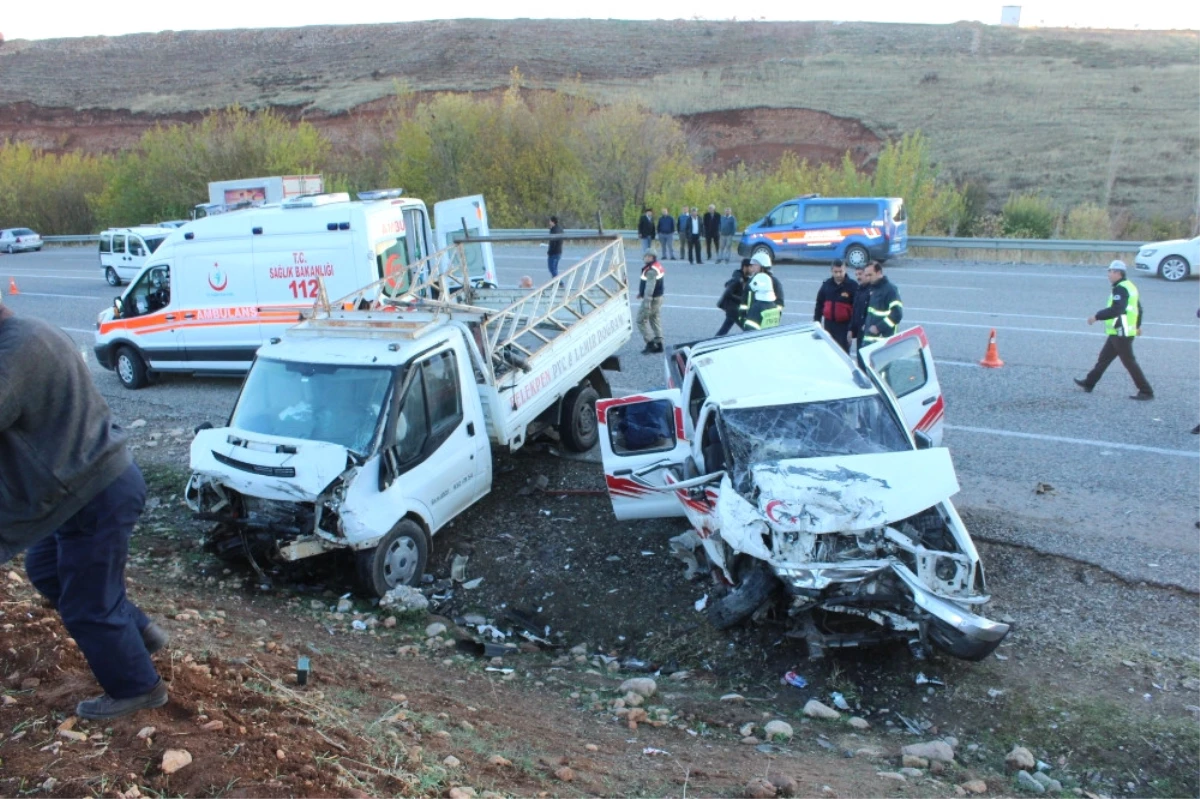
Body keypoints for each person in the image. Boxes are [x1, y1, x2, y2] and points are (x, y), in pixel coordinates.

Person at [0, 295, 169, 721]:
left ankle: (138, 688)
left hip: (94, 489)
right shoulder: (28, 332)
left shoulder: (14, 352)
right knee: (46, 569)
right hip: (84, 486)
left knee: (88, 604)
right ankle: (139, 631)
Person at [1074, 260, 1154, 400]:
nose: (1108, 274)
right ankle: (1089, 383)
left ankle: (1146, 391)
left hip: (1121, 331)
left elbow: (1117, 309)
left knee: (1129, 362)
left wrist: (1097, 316)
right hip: (1120, 331)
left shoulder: (1120, 288)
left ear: (1118, 273)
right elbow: (1138, 309)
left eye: (1110, 271)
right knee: (1104, 359)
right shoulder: (1130, 286)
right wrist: (1137, 325)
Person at [813, 258, 858, 352]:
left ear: (845, 270)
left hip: (844, 327)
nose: (838, 274)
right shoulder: (826, 285)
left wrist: (851, 329)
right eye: (835, 272)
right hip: (829, 325)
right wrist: (816, 323)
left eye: (840, 271)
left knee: (843, 353)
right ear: (831, 271)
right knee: (829, 352)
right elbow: (819, 305)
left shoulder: (852, 286)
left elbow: (856, 310)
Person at [860, 261, 902, 344]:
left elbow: (897, 315)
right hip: (869, 339)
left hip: (883, 341)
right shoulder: (873, 288)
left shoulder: (890, 290)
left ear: (878, 273)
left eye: (870, 275)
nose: (868, 278)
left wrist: (879, 327)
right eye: (866, 275)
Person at [636, 250, 666, 354]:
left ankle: (650, 344)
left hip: (652, 299)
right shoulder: (657, 266)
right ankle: (659, 344)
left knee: (640, 320)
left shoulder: (651, 270)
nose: (644, 258)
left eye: (646, 256)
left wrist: (646, 301)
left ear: (650, 257)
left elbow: (650, 287)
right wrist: (641, 292)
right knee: (654, 319)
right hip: (658, 298)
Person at [715, 258, 751, 336]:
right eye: (750, 267)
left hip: (734, 308)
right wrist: (742, 300)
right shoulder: (738, 279)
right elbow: (728, 293)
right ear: (745, 267)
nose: (752, 269)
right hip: (733, 309)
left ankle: (713, 342)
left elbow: (727, 283)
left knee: (724, 330)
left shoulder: (745, 278)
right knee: (747, 329)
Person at [849, 264, 872, 349]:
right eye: (857, 274)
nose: (858, 277)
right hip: (859, 332)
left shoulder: (872, 291)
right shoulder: (859, 290)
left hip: (868, 333)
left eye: (860, 274)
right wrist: (851, 329)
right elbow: (855, 312)